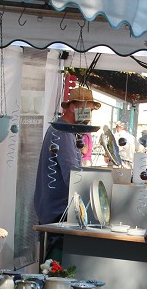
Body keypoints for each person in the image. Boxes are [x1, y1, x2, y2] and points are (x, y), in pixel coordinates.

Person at [33, 86, 101, 226]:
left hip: (54, 209)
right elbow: (72, 175)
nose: (89, 115)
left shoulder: (67, 131)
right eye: (86, 110)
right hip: (58, 212)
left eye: (91, 111)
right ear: (72, 107)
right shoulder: (62, 132)